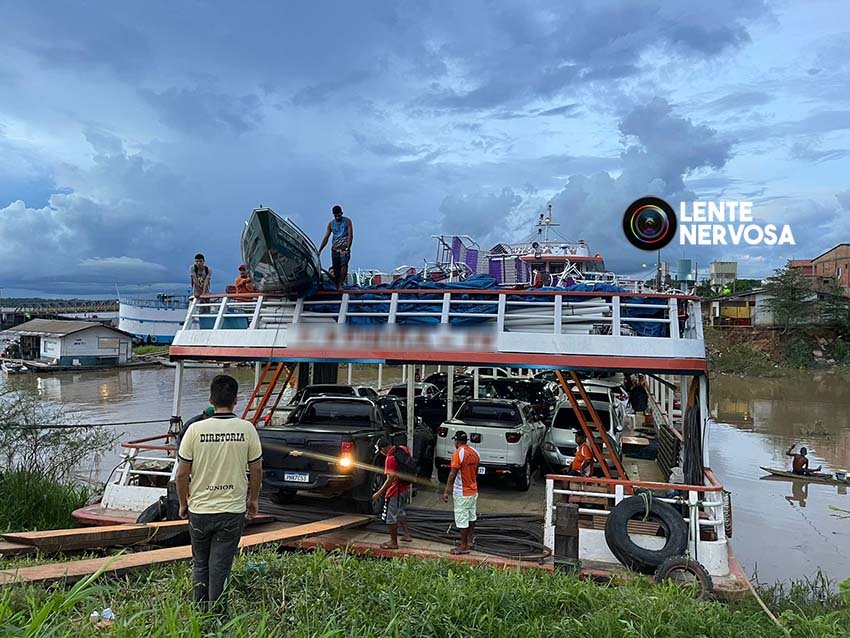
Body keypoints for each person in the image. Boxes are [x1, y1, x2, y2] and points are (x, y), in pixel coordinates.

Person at [176, 375, 262, 615]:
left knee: (200, 564)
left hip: (200, 510)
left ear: (210, 399)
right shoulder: (247, 429)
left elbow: (182, 474)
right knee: (220, 567)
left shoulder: (194, 430)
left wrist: (183, 503)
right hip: (232, 511)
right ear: (236, 400)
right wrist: (253, 500)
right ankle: (218, 618)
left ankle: (200, 613)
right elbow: (256, 469)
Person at [441, 430, 480, 555]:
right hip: (473, 491)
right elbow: (476, 471)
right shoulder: (475, 452)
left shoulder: (458, 453)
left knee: (462, 518)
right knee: (471, 516)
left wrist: (446, 491)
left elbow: (452, 474)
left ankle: (463, 546)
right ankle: (469, 540)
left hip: (462, 492)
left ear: (457, 441)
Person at [372, 437, 413, 549]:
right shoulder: (403, 449)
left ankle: (393, 543)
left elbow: (390, 479)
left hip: (395, 491)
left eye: (381, 451)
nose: (381, 453)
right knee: (401, 512)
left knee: (390, 517)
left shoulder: (390, 459)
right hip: (406, 487)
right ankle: (407, 535)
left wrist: (379, 493)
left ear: (383, 449)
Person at [318, 205, 353, 292]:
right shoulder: (331, 224)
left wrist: (347, 248)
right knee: (336, 268)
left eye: (339, 215)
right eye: (335, 216)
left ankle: (340, 284)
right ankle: (337, 285)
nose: (337, 217)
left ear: (342, 213)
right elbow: (326, 238)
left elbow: (350, 235)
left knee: (344, 265)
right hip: (335, 249)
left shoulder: (347, 221)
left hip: (344, 248)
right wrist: (320, 250)